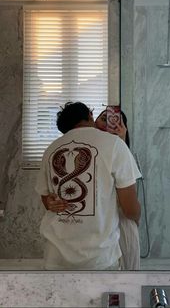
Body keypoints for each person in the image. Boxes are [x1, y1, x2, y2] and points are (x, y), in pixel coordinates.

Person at [35, 101, 141, 270]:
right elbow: (130, 209)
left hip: (56, 256)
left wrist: (51, 202)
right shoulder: (114, 145)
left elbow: (45, 197)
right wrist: (137, 217)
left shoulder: (51, 149)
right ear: (90, 115)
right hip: (99, 257)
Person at [95, 109, 142, 270]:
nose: (109, 123)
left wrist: (121, 140)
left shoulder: (123, 153)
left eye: (116, 120)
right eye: (104, 118)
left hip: (122, 221)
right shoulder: (88, 153)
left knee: (128, 276)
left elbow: (130, 200)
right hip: (99, 223)